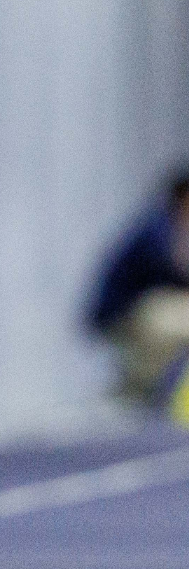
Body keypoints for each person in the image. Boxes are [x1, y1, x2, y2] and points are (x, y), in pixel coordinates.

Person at [89, 170, 189, 403]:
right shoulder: (160, 228)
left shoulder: (169, 225)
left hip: (137, 313)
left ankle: (136, 390)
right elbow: (173, 270)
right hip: (124, 315)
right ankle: (141, 391)